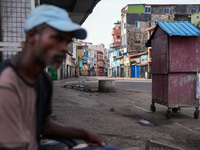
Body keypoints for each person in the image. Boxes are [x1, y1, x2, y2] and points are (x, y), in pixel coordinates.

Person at [0, 4, 120, 150]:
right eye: (57, 38)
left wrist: (83, 133)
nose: (64, 48)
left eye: (67, 42)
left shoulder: (43, 79)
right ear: (32, 35)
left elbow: (44, 124)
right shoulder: (6, 84)